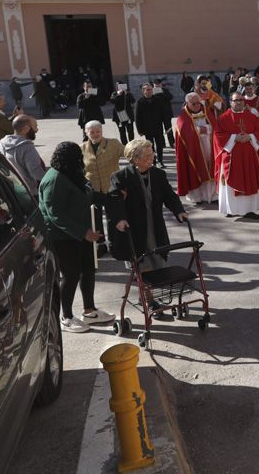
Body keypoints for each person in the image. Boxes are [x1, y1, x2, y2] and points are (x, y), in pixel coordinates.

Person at [37, 141, 114, 333]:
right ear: (69, 159)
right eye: (77, 157)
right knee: (71, 274)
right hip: (62, 237)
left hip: (82, 232)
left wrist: (112, 197)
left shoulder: (72, 174)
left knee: (89, 269)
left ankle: (90, 311)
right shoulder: (54, 180)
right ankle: (66, 317)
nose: (81, 160)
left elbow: (87, 195)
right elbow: (55, 214)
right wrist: (84, 233)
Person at [107, 139, 187, 272]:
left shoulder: (158, 174)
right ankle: (146, 291)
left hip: (154, 224)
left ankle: (152, 287)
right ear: (135, 159)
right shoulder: (121, 177)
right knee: (140, 262)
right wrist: (120, 219)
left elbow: (169, 195)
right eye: (147, 156)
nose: (152, 158)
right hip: (134, 227)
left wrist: (179, 211)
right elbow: (114, 201)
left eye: (152, 154)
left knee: (158, 259)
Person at [214, 93, 259, 219]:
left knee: (250, 179)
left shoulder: (252, 117)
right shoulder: (223, 118)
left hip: (249, 156)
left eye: (241, 100)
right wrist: (234, 138)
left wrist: (251, 136)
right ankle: (231, 209)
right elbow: (217, 135)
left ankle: (250, 210)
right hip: (231, 157)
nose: (239, 102)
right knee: (231, 179)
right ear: (230, 102)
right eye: (236, 100)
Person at [82, 120, 124, 258]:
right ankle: (101, 244)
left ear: (102, 131)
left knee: (113, 217)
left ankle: (115, 243)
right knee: (96, 219)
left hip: (111, 188)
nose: (95, 134)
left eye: (97, 131)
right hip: (93, 190)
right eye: (91, 132)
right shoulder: (81, 148)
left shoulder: (113, 144)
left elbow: (128, 154)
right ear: (86, 133)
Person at [175, 92, 217, 204]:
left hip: (209, 144)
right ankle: (197, 197)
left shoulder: (207, 111)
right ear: (187, 103)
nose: (197, 105)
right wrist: (198, 130)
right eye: (193, 104)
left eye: (198, 102)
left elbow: (216, 126)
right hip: (193, 150)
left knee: (210, 168)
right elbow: (184, 132)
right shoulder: (183, 117)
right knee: (196, 169)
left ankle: (212, 195)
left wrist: (208, 129)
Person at [0, 114, 46, 191]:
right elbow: (37, 173)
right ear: (26, 129)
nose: (37, 130)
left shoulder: (1, 144)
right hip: (31, 193)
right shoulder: (27, 147)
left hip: (14, 190)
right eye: (35, 126)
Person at [135, 82, 166, 166]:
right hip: (147, 128)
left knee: (159, 145)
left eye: (150, 90)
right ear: (143, 91)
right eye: (147, 90)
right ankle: (153, 161)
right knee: (150, 146)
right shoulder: (140, 102)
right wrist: (139, 130)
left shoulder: (158, 99)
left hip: (158, 127)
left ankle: (160, 160)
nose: (149, 91)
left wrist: (166, 126)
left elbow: (163, 114)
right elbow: (137, 117)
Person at [153, 79, 175, 148]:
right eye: (155, 85)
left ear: (161, 84)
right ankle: (162, 144)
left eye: (158, 84)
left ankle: (172, 143)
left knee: (168, 129)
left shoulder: (165, 90)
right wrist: (153, 95)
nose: (157, 86)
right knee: (159, 130)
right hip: (157, 114)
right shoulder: (151, 92)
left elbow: (170, 97)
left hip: (166, 114)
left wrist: (163, 92)